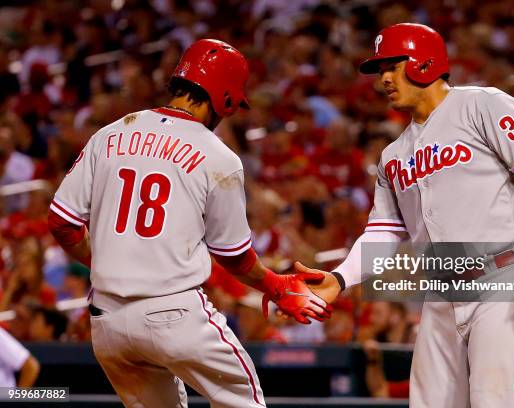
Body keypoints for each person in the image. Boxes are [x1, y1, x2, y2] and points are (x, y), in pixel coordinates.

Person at [298, 23, 514, 407]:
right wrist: (340, 279)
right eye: (381, 72)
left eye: (392, 67)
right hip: (441, 293)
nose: (384, 80)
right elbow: (382, 234)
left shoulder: (483, 104)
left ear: (423, 63)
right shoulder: (393, 155)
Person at [48, 39, 331, 408]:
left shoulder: (111, 133)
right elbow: (235, 258)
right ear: (225, 98)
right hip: (174, 315)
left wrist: (104, 260)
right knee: (244, 402)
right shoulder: (218, 156)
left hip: (108, 322)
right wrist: (275, 285)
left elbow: (61, 223)